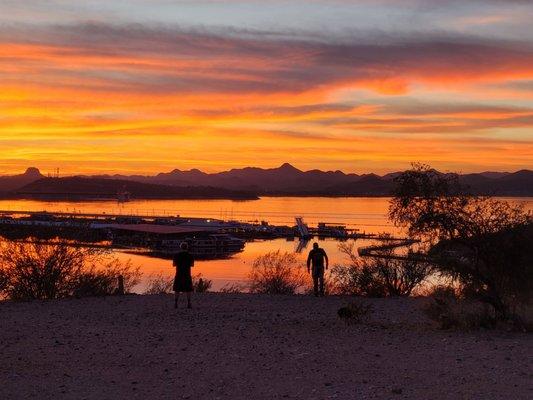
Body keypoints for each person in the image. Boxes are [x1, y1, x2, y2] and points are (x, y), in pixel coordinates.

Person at [173, 242, 194, 309]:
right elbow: (192, 265)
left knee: (177, 289)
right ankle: (189, 303)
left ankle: (176, 303)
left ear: (180, 247)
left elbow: (174, 264)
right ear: (187, 247)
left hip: (179, 273)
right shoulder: (190, 255)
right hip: (187, 274)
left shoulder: (176, 255)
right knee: (188, 289)